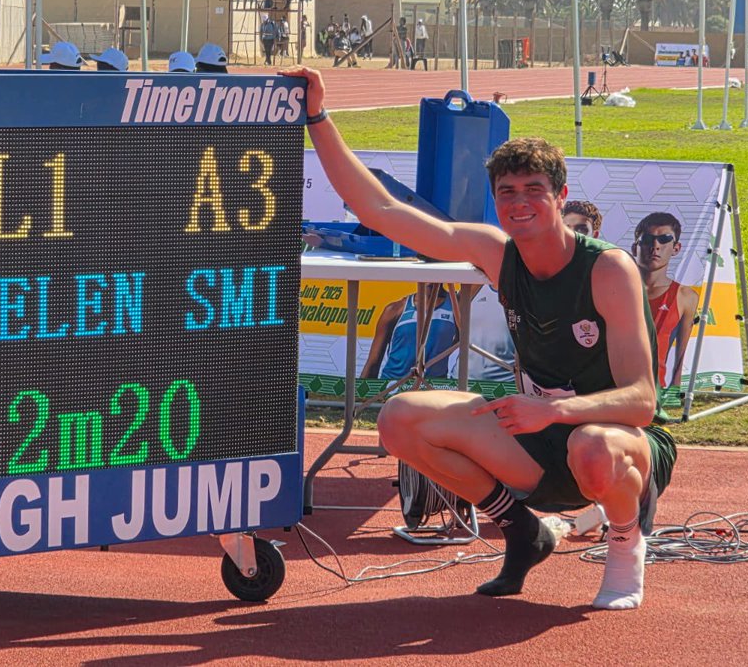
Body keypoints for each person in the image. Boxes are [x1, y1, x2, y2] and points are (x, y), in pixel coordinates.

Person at [282, 65, 675, 611]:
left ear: (561, 196)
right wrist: (318, 117)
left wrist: (558, 412)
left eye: (535, 190)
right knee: (400, 418)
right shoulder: (495, 251)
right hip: (536, 441)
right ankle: (522, 531)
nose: (520, 202)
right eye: (507, 191)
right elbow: (381, 210)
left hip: (614, 445)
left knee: (592, 444)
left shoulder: (608, 270)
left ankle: (627, 540)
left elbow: (643, 401)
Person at [631, 212, 699, 390]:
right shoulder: (614, 289)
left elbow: (683, 351)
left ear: (676, 248)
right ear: (634, 248)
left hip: (653, 389)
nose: (655, 246)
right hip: (611, 385)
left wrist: (675, 389)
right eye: (647, 239)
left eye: (664, 239)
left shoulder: (685, 296)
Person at [361, 285, 460, 381]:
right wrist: (359, 395)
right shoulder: (395, 310)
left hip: (434, 390)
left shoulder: (456, 308)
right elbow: (373, 361)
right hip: (394, 386)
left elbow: (460, 341)